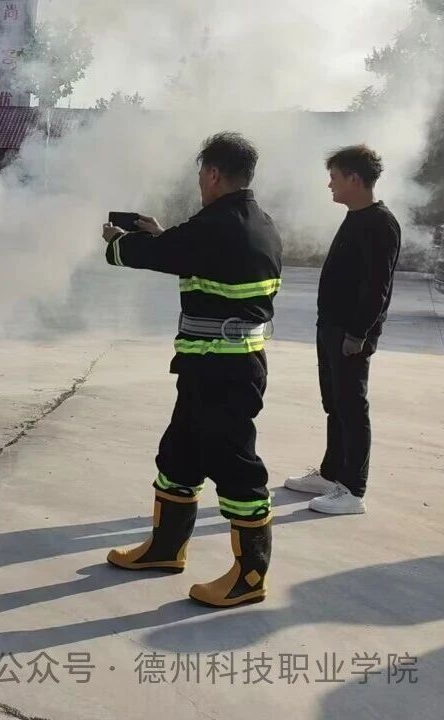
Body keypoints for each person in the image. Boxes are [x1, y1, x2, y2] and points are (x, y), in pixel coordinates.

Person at [101, 132, 283, 609]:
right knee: (179, 455)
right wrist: (162, 234)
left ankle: (250, 575)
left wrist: (121, 242)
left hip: (224, 372)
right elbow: (196, 253)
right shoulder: (257, 222)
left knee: (237, 469)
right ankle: (166, 548)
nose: (200, 181)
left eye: (202, 173)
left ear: (214, 174)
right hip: (215, 368)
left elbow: (161, 253)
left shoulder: (218, 225)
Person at [285, 146, 401, 515]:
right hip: (331, 326)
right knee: (334, 403)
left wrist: (357, 334)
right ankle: (331, 473)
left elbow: (377, 287)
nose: (329, 184)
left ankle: (353, 489)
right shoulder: (355, 217)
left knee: (351, 405)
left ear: (354, 178)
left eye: (334, 177)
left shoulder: (380, 223)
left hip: (351, 333)